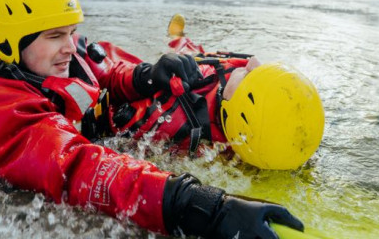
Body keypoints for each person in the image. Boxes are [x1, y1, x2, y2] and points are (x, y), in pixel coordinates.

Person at [0, 0, 304, 239]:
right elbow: (75, 166)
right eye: (55, 36)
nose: (71, 45)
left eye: (71, 31)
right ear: (9, 43)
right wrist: (202, 208)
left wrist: (149, 75)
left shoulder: (55, 51)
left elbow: (107, 71)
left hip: (82, 131)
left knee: (185, 88)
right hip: (11, 180)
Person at [104, 14, 325, 170]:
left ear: (238, 108)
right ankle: (177, 38)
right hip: (207, 70)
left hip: (194, 85)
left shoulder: (172, 119)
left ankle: (177, 41)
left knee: (183, 55)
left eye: (251, 76)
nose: (253, 63)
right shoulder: (239, 79)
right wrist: (148, 74)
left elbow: (110, 83)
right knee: (188, 51)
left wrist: (145, 78)